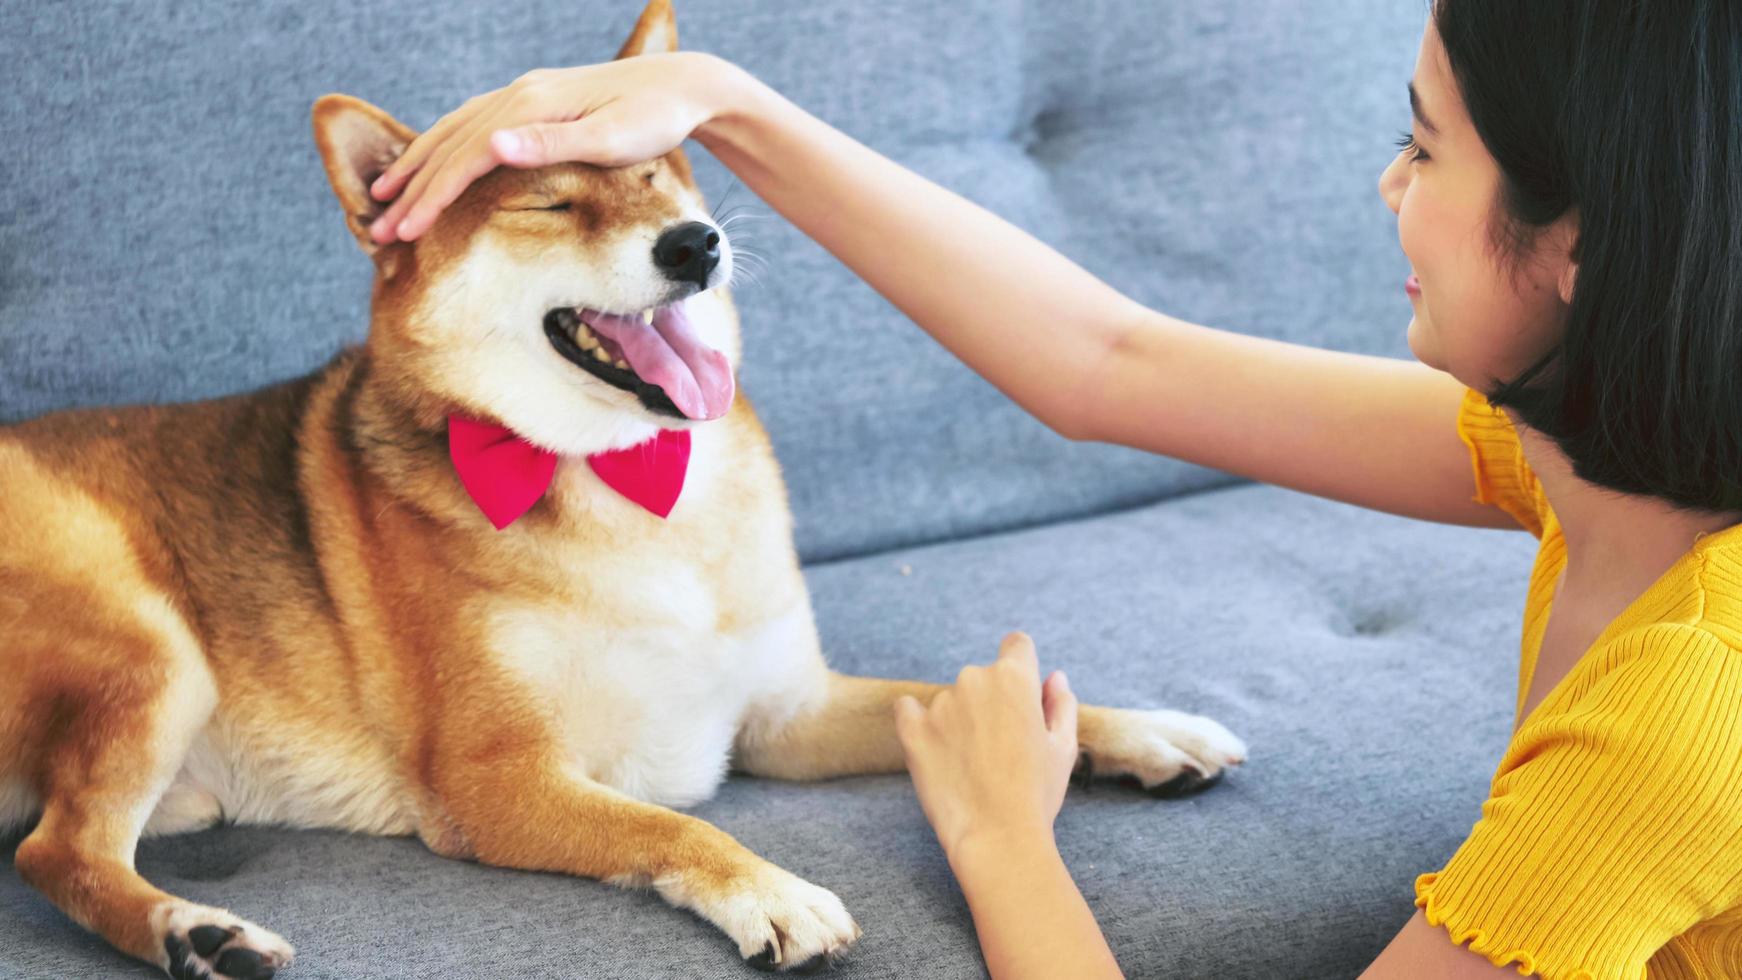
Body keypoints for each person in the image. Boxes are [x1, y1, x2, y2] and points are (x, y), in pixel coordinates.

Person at [364, 3, 1742, 977]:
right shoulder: (1583, 458)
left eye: (1426, 146)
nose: (1387, 181)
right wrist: (725, 99)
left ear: (1578, 243)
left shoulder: (1681, 713)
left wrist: (996, 830)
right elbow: (1104, 359)